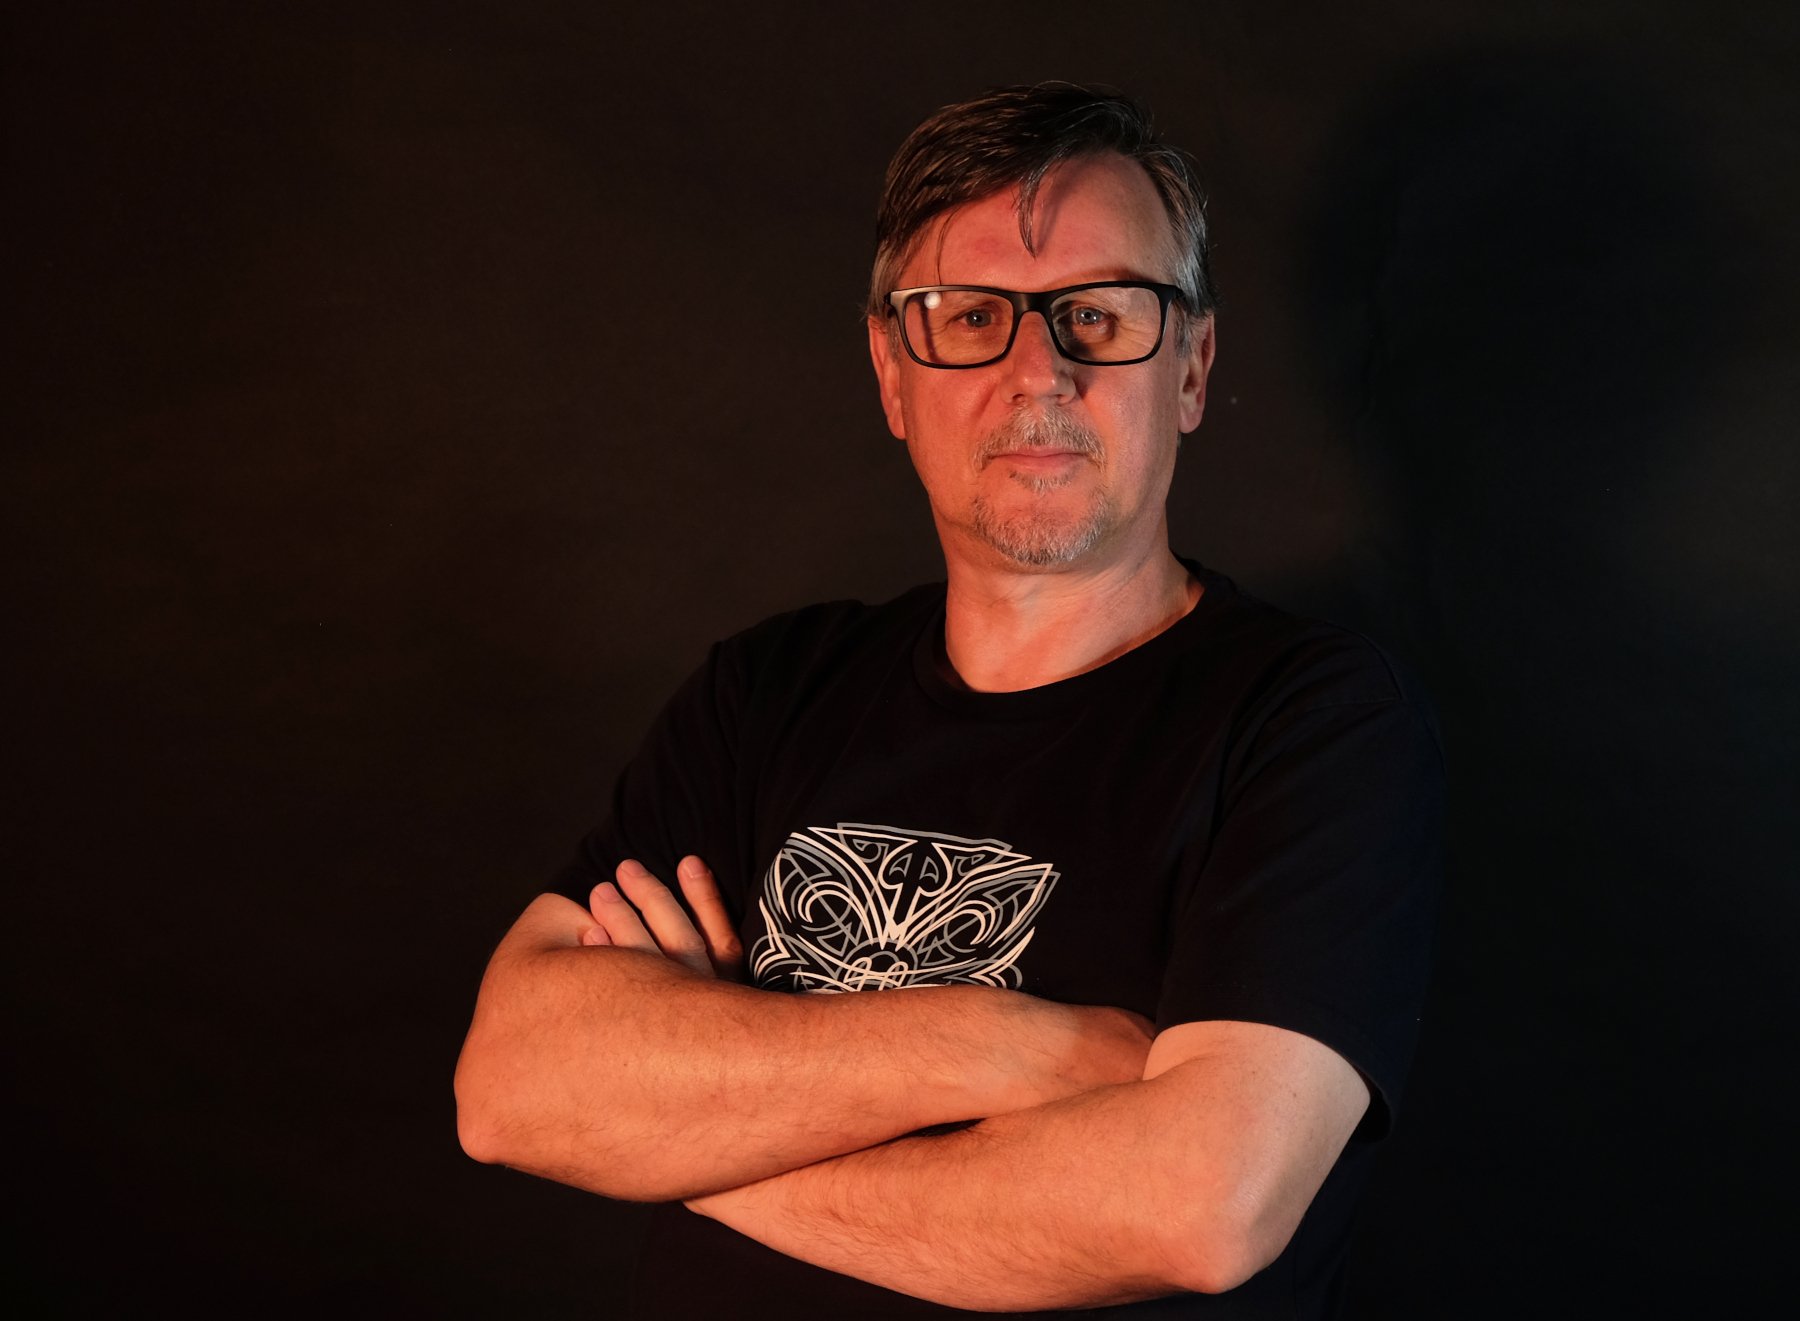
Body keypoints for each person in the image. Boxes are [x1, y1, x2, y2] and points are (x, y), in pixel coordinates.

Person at [454, 83, 1443, 1320]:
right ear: (891, 374)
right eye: (970, 317)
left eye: (1099, 315)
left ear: (1191, 368)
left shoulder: (1313, 725)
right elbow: (510, 1087)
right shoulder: (765, 692)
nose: (1039, 372)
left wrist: (684, 1139)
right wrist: (1005, 1043)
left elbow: (1200, 1203)